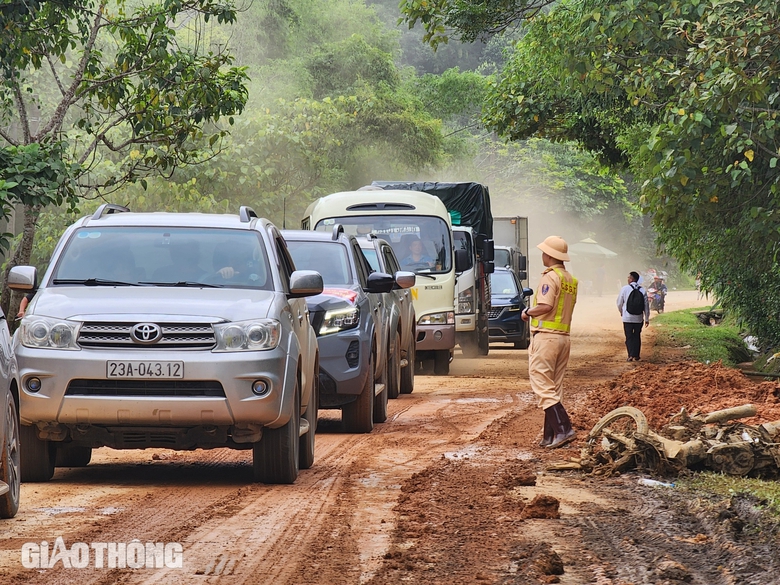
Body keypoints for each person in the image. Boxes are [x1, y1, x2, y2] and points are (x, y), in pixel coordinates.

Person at [521, 235, 578, 449]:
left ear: (550, 255)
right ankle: (550, 437)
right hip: (564, 338)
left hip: (546, 338)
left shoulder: (549, 277)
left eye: (544, 252)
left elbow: (544, 306)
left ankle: (564, 429)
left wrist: (527, 312)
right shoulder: (570, 280)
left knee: (543, 386)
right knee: (554, 386)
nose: (542, 255)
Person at [617, 271, 650, 362]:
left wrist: (622, 311)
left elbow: (619, 302)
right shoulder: (642, 290)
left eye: (629, 277)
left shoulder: (624, 289)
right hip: (638, 318)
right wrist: (646, 318)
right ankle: (636, 355)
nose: (628, 279)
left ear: (632, 279)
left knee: (629, 336)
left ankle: (630, 355)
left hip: (627, 317)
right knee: (637, 336)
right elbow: (646, 306)